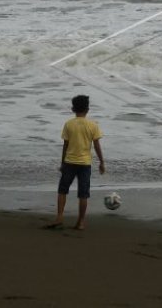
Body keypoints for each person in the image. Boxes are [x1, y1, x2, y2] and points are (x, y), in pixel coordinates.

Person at [46, 95, 105, 230]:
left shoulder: (69, 124)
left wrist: (62, 163)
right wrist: (102, 162)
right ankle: (81, 222)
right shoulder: (93, 125)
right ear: (88, 109)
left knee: (62, 190)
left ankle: (60, 216)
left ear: (73, 109)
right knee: (83, 194)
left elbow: (65, 145)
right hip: (85, 164)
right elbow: (96, 146)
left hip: (69, 162)